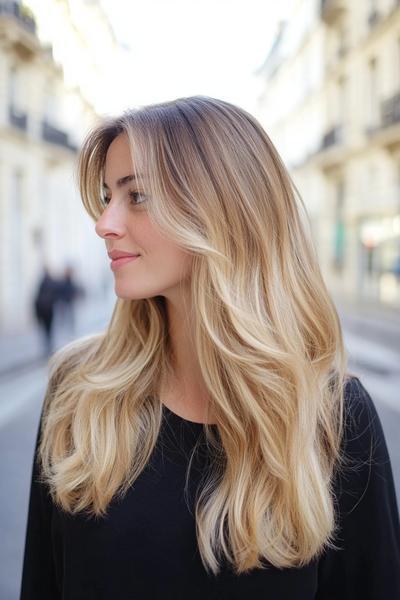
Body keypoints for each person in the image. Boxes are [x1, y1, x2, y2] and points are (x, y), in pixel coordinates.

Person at [20, 96, 400, 599]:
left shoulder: (332, 417)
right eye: (107, 195)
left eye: (135, 196)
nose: (104, 223)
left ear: (222, 210)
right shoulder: (79, 390)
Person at [33, 266, 59, 357]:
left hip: (45, 311)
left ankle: (48, 346)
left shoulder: (42, 283)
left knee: (46, 330)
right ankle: (49, 346)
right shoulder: (51, 283)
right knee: (49, 330)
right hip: (48, 311)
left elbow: (36, 300)